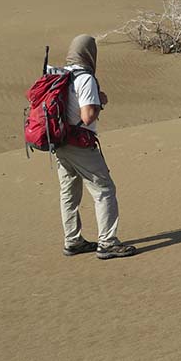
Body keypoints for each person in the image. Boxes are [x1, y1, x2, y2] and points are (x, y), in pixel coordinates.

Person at [51, 34, 136, 260]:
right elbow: (87, 116)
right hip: (79, 143)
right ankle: (107, 243)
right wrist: (99, 102)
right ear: (90, 54)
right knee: (104, 190)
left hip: (59, 142)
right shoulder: (85, 78)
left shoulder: (61, 74)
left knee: (69, 193)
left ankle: (73, 240)